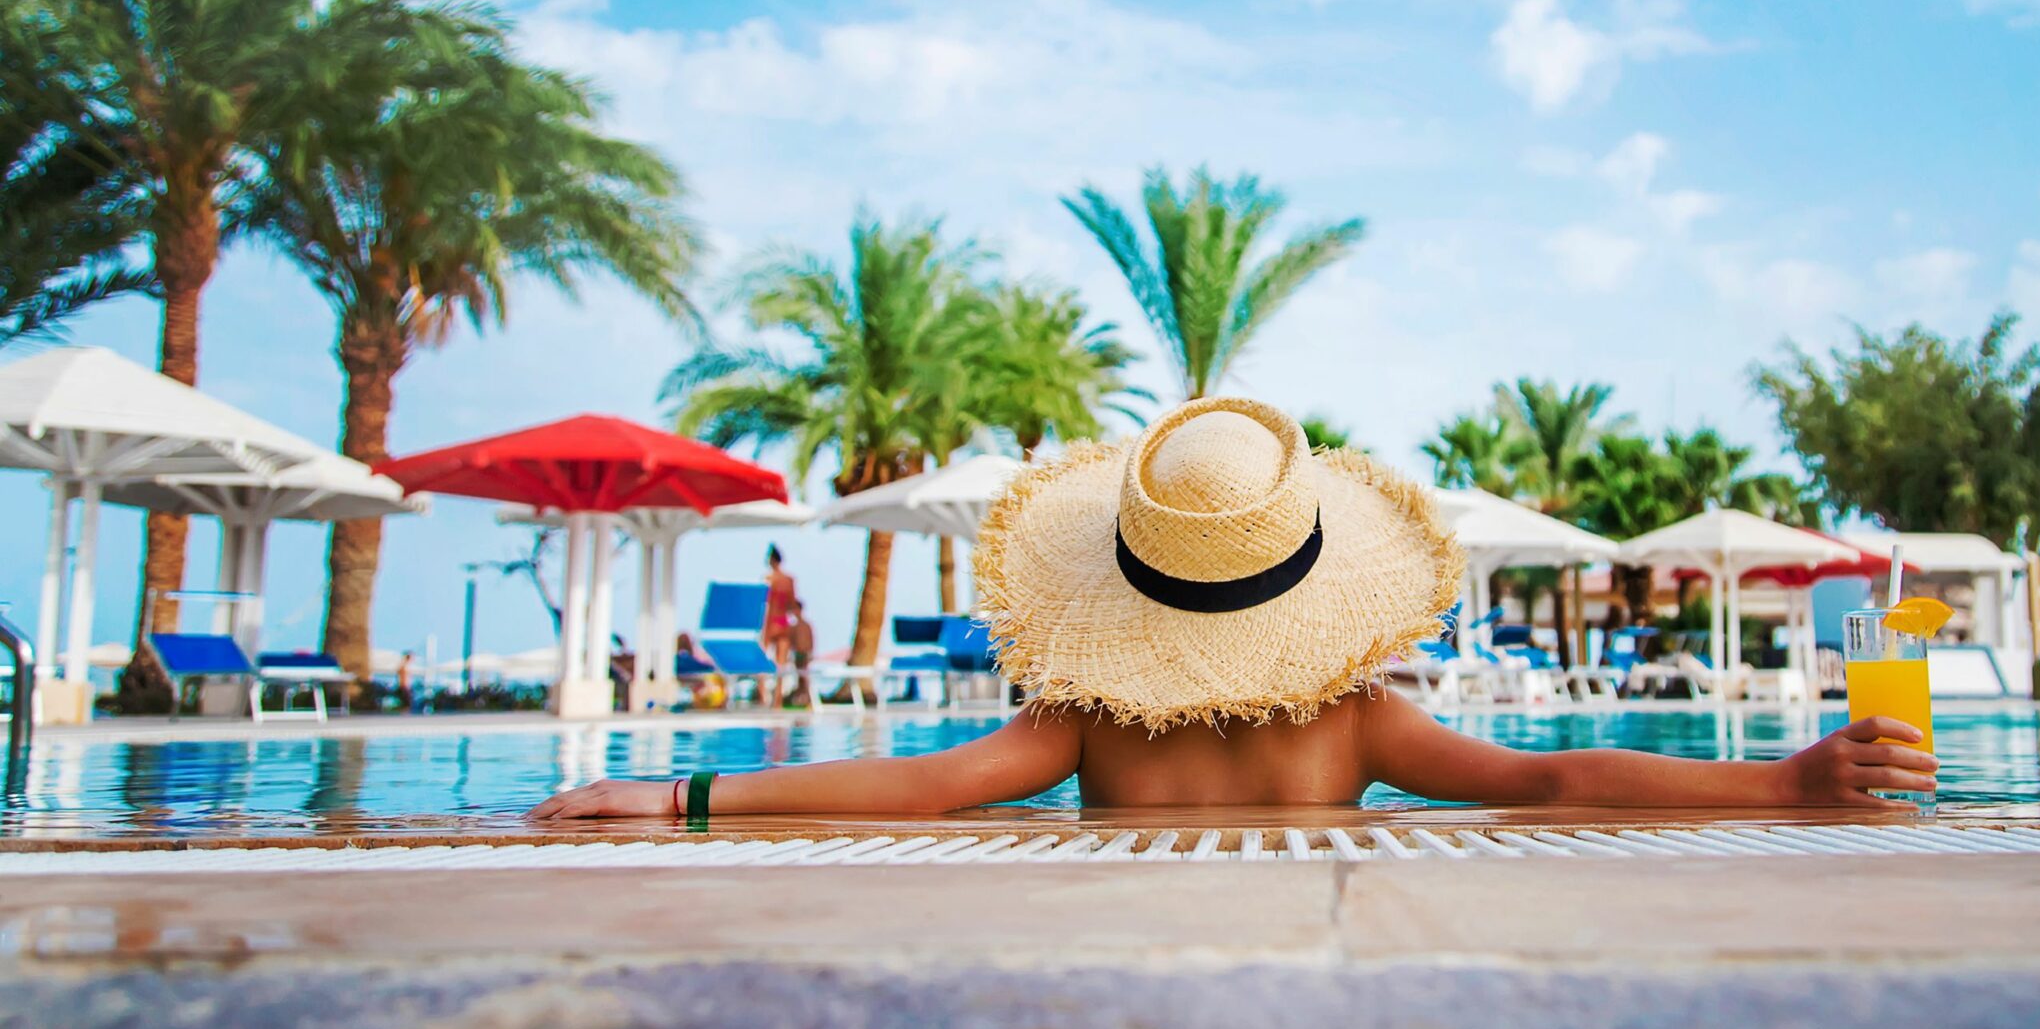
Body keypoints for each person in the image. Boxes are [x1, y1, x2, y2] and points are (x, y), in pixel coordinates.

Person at [534, 398, 1934, 820]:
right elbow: (1554, 777)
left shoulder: (1081, 723)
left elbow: (925, 784)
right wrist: (1783, 781)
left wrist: (684, 801)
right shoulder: (1358, 724)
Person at [759, 545, 800, 671]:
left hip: (770, 620)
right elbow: (792, 604)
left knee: (763, 657)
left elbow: (762, 603)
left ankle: (762, 690)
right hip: (782, 620)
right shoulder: (788, 580)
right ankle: (778, 691)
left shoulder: (768, 579)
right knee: (781, 662)